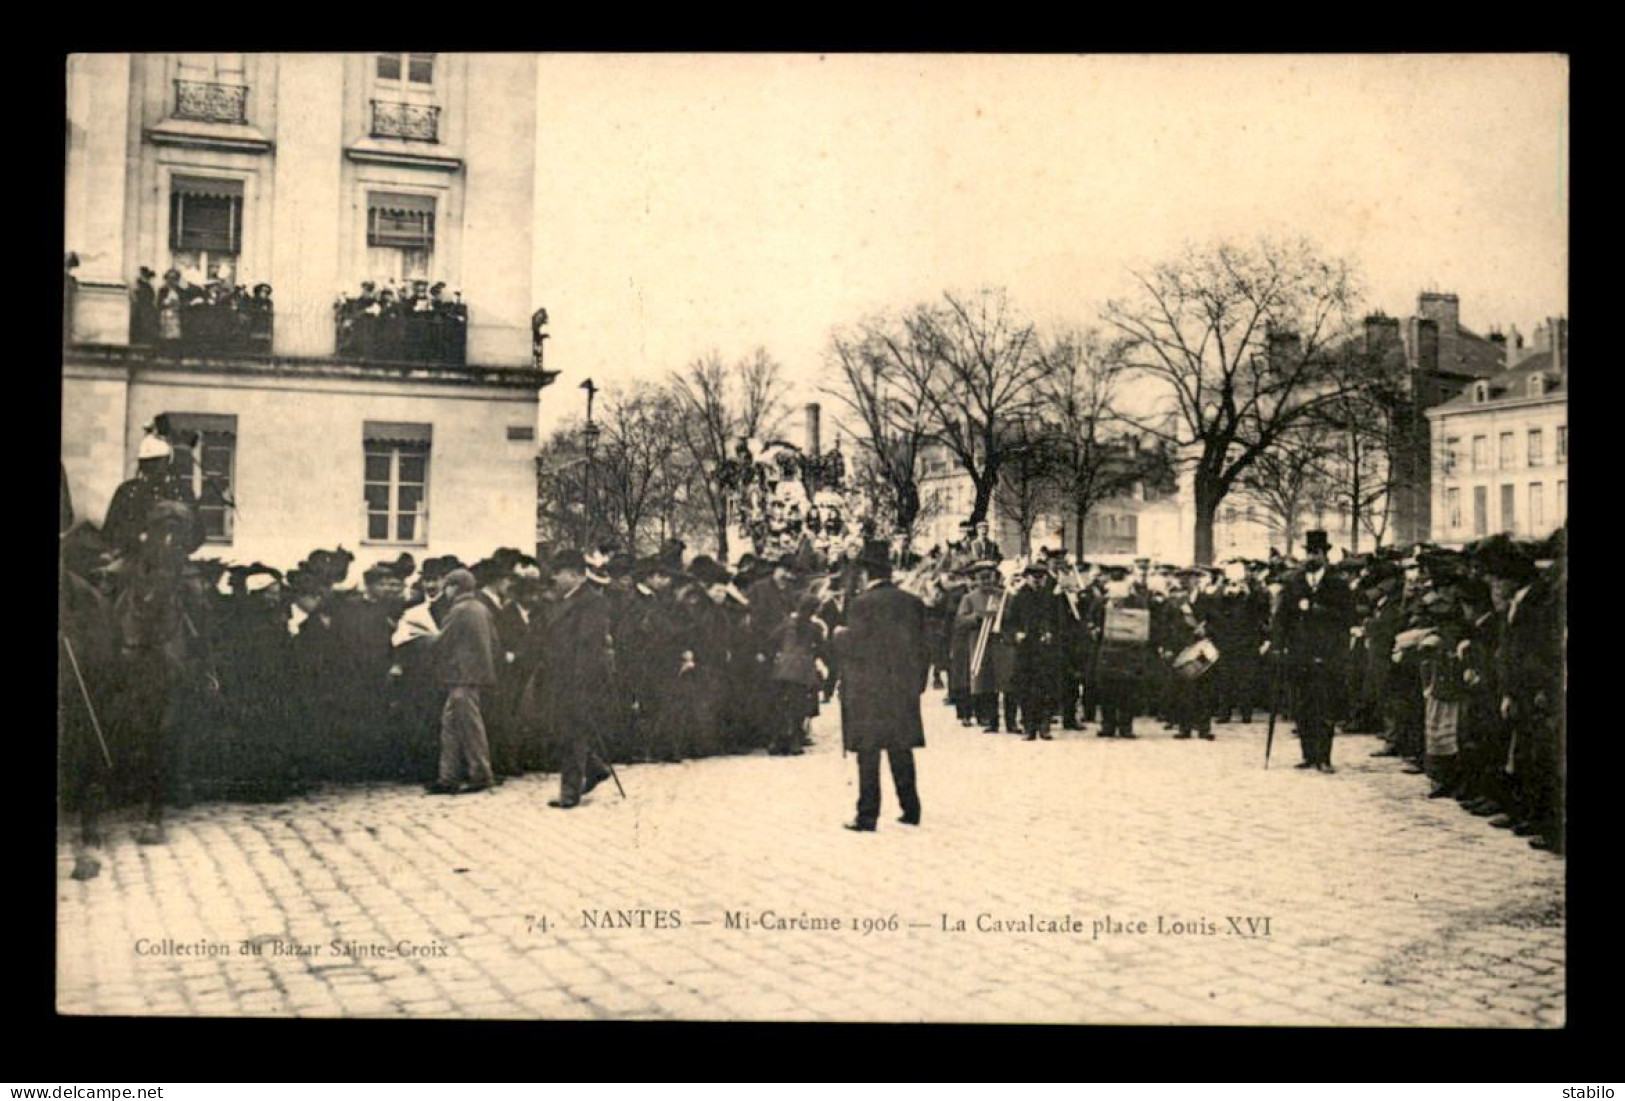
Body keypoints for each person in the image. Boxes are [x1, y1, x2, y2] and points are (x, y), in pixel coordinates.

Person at [833, 540, 928, 831]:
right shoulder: (912, 602)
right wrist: (918, 683)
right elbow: (925, 647)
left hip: (868, 690)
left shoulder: (861, 604)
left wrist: (839, 636)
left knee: (868, 751)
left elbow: (857, 646)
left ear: (866, 574)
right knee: (901, 749)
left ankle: (867, 815)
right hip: (902, 688)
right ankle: (910, 809)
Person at [1267, 530, 1353, 773]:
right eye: (1308, 553)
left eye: (1316, 553)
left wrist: (1320, 610)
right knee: (1303, 706)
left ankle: (1324, 757)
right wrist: (1277, 646)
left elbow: (1347, 616)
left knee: (1325, 706)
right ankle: (1308, 754)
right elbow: (1281, 618)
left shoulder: (1337, 583)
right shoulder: (1294, 581)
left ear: (1325, 555)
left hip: (1327, 654)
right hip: (1299, 653)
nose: (1311, 558)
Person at [542, 550, 615, 808]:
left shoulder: (592, 602)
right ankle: (595, 768)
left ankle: (570, 792)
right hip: (561, 677)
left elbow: (588, 646)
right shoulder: (565, 600)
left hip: (580, 678)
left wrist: (580, 682)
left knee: (573, 732)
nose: (554, 578)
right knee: (565, 730)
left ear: (575, 575)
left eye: (559, 573)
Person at [426, 568, 498, 795]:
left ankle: (481, 774)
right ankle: (448, 777)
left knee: (468, 726)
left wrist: (421, 639)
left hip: (461, 676)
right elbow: (495, 643)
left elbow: (442, 641)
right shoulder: (481, 609)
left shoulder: (459, 610)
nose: (444, 591)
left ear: (454, 587)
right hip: (474, 676)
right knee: (452, 725)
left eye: (446, 586)